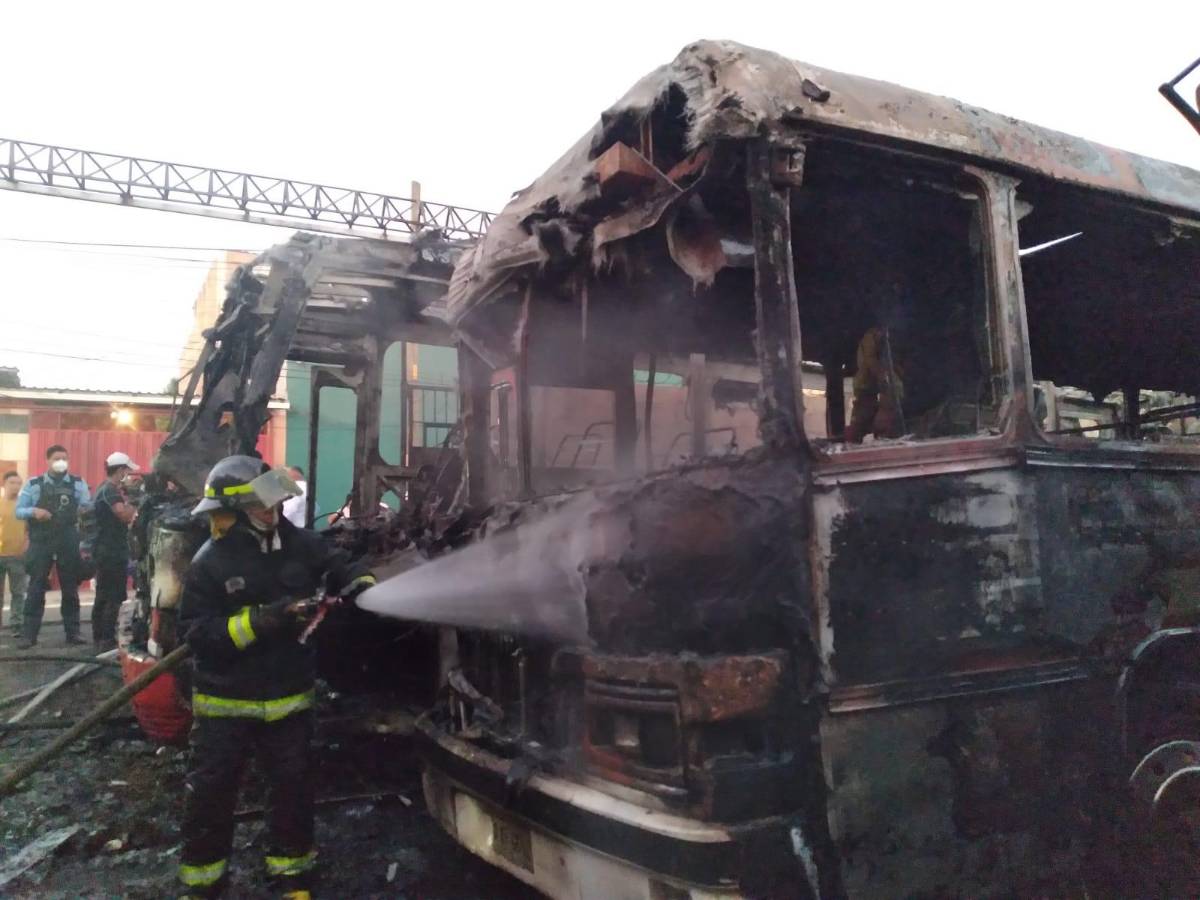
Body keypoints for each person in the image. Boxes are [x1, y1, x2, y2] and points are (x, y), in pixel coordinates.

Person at [177, 455, 375, 899]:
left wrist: (360, 581)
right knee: (211, 796)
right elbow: (196, 635)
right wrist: (264, 621)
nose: (273, 511)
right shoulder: (210, 562)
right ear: (235, 510)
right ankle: (203, 885)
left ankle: (291, 877)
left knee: (293, 790)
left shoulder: (302, 544)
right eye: (263, 505)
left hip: (289, 700)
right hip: (225, 705)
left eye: (275, 503)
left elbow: (340, 563)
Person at [16, 445, 90, 648]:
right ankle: (29, 635)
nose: (61, 462)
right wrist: (34, 511)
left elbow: (86, 507)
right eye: (57, 458)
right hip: (42, 540)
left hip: (67, 539)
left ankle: (73, 632)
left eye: (64, 458)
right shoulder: (33, 483)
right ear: (47, 460)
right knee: (36, 587)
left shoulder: (78, 483)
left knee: (70, 587)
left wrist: (84, 511)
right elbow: (19, 510)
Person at [91, 451, 140, 650]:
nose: (128, 475)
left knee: (104, 595)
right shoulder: (110, 491)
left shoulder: (106, 489)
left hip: (107, 549)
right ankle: (106, 641)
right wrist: (136, 505)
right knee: (113, 595)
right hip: (111, 551)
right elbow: (123, 514)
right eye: (127, 471)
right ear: (120, 471)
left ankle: (100, 638)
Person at [0, 471, 28, 639]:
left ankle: (16, 624)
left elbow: (30, 529)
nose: (16, 486)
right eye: (12, 482)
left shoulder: (23, 506)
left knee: (18, 592)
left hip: (18, 555)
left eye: (19, 483)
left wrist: (27, 545)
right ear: (4, 484)